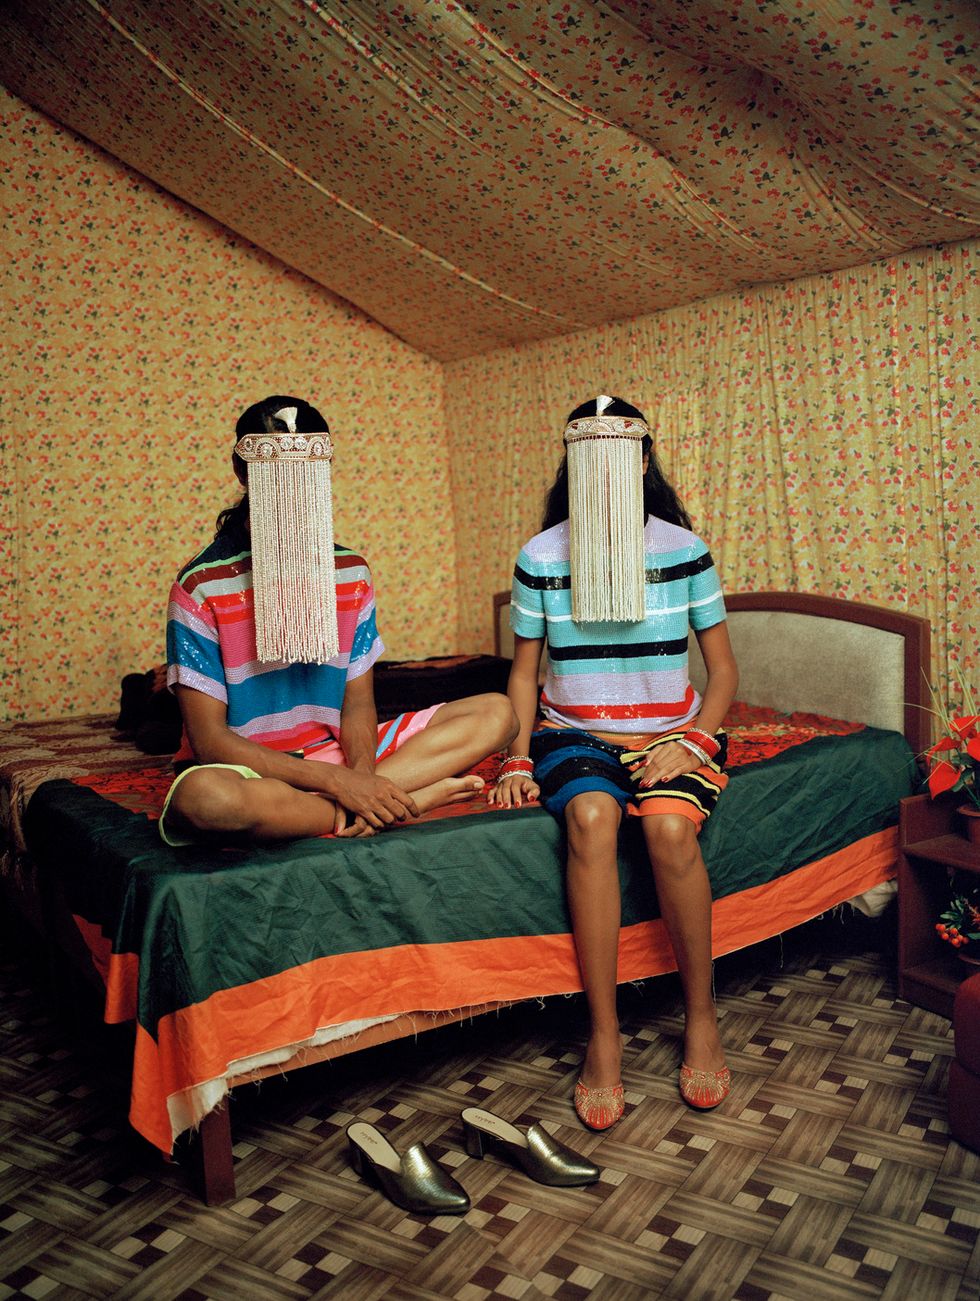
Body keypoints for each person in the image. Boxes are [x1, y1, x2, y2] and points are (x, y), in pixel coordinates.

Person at [489, 395, 738, 1128]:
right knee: (592, 817)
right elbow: (524, 673)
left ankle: (701, 1018)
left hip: (673, 734)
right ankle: (603, 1033)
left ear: (643, 459)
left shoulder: (683, 550)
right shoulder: (540, 557)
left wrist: (693, 741)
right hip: (575, 733)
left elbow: (723, 671)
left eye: (619, 453)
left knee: (669, 829)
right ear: (573, 463)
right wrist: (515, 757)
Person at [162, 395, 517, 846]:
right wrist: (338, 784)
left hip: (339, 756)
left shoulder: (350, 572)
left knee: (497, 713)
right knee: (205, 800)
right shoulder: (201, 586)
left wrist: (362, 776)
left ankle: (343, 807)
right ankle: (400, 800)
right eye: (275, 471)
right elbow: (209, 741)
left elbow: (358, 704)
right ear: (242, 472)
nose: (292, 486)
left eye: (308, 471)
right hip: (250, 770)